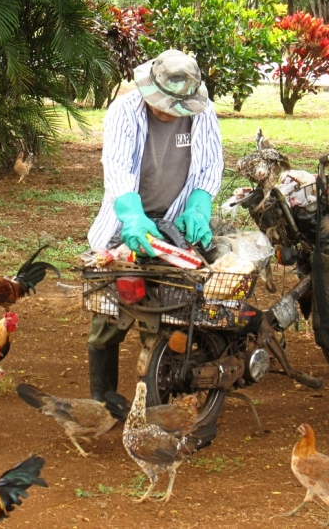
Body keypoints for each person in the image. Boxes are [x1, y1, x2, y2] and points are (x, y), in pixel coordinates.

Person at [86, 49, 224, 401]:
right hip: (124, 222)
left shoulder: (202, 114)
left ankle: (160, 393)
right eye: (161, 103)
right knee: (107, 319)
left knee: (169, 312)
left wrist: (198, 206)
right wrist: (133, 216)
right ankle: (102, 401)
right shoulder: (124, 112)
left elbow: (209, 166)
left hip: (174, 225)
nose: (166, 111)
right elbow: (117, 171)